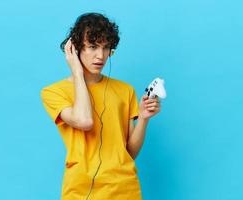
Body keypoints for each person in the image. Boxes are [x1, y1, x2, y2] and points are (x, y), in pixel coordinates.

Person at [40, 12, 161, 200]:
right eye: (92, 46)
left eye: (106, 48)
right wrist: (77, 73)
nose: (101, 56)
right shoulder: (53, 92)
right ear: (75, 48)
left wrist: (143, 119)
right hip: (80, 191)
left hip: (124, 189)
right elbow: (84, 121)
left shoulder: (125, 90)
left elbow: (128, 153)